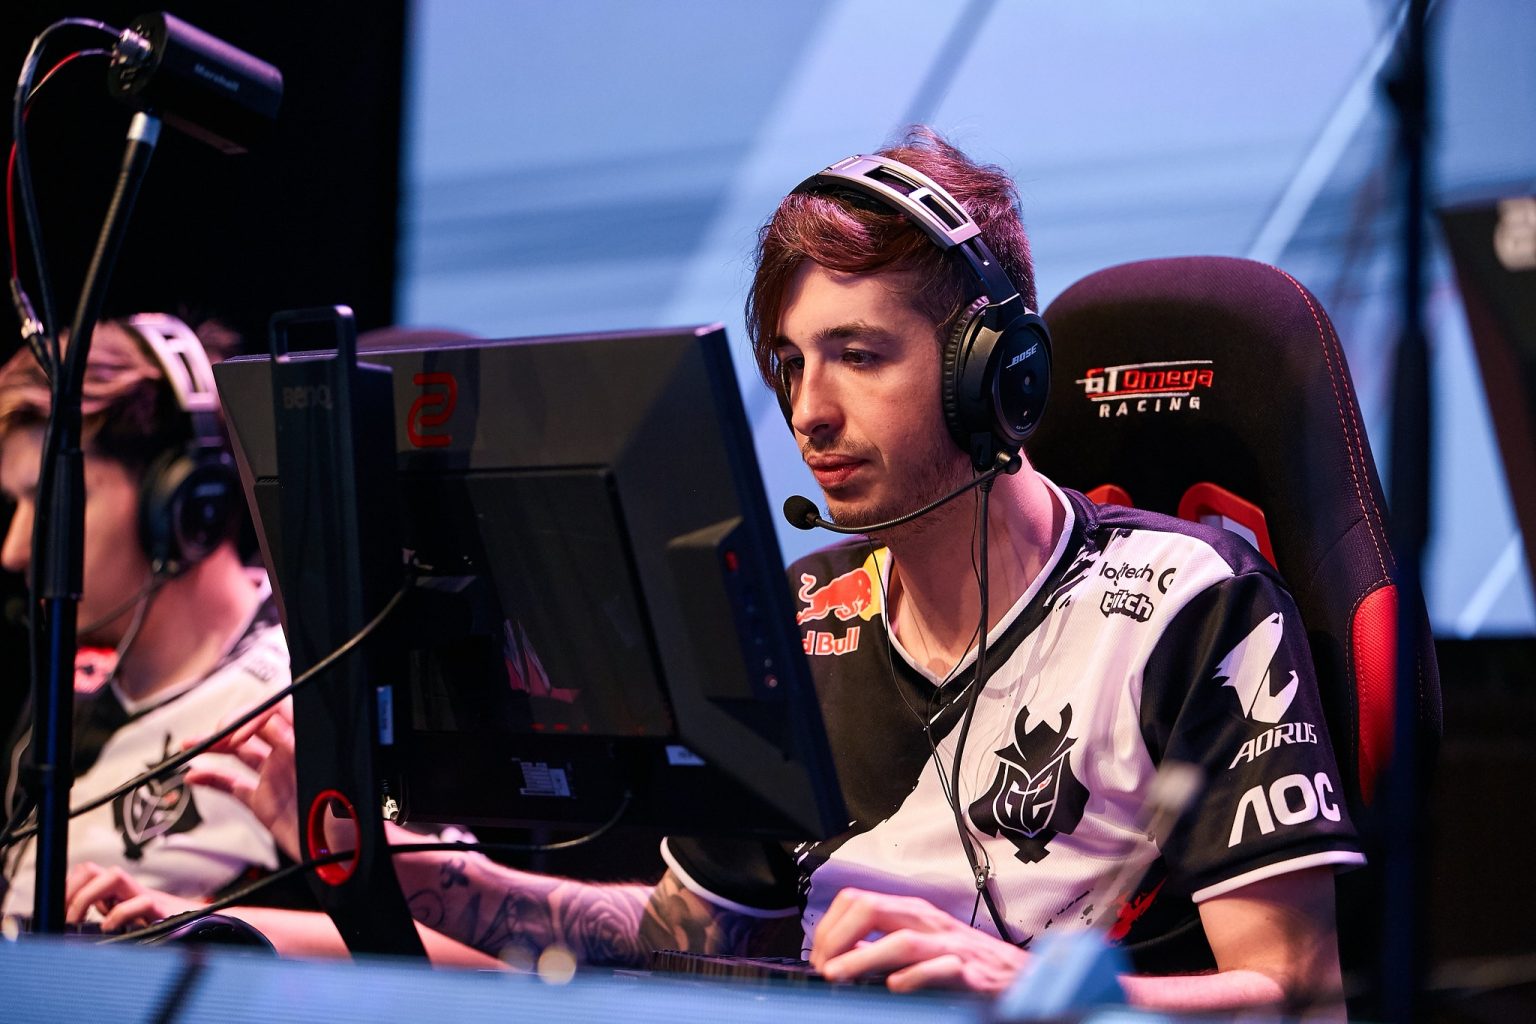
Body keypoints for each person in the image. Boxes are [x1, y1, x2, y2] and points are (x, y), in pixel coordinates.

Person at [196, 129, 1362, 1011]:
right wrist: (385, 869)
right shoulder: (803, 615)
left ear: (993, 374)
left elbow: (1302, 991)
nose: (810, 410)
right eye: (792, 364)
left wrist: (1033, 986)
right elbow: (677, 945)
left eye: (858, 355)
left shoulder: (1188, 602)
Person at [0, 315, 290, 925]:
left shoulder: (305, 689)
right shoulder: (69, 687)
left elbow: (457, 945)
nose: (15, 549)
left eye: (53, 501)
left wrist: (204, 928)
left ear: (183, 500)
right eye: (17, 504)